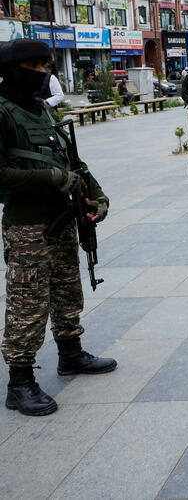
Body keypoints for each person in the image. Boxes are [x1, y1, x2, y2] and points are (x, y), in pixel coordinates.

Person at [0, 39, 116, 416]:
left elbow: (73, 161)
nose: (41, 73)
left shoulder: (42, 111)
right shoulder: (2, 113)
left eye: (44, 66)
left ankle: (70, 354)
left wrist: (96, 195)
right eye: (33, 67)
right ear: (12, 70)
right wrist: (50, 178)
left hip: (61, 220)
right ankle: (20, 383)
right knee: (28, 302)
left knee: (67, 289)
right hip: (27, 227)